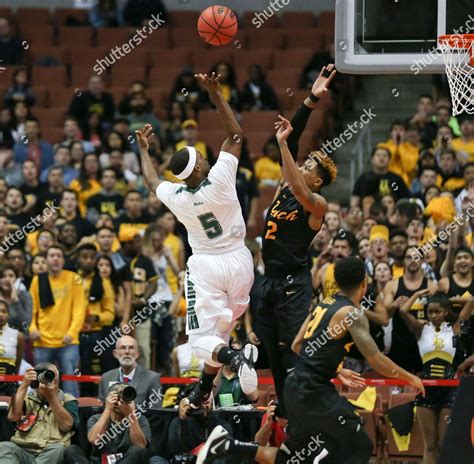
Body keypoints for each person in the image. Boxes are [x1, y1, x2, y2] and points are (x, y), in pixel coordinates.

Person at [198, 257, 425, 464]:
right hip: (313, 390)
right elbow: (376, 360)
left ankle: (227, 445)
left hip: (295, 385)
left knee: (293, 456)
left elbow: (297, 345)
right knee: (359, 444)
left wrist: (336, 371)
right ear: (364, 283)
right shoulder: (352, 314)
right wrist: (411, 377)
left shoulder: (323, 304)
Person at [136, 72, 258, 409]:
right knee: (221, 333)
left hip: (205, 265)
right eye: (201, 157)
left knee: (199, 341)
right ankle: (206, 387)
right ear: (199, 169)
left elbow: (150, 181)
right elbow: (235, 134)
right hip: (240, 260)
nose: (205, 156)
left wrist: (144, 150)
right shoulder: (220, 179)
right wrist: (216, 95)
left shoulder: (177, 195)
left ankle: (235, 358)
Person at [399, 293, 472, 464]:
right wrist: (417, 294)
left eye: (437, 311)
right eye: (430, 311)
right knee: (430, 445)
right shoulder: (421, 329)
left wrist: (447, 301)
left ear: (446, 312)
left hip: (449, 390)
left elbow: (471, 301)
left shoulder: (455, 328)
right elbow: (403, 310)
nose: (433, 315)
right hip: (426, 389)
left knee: (444, 444)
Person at [29, 245, 87, 397]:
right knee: (40, 382)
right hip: (43, 341)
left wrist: (72, 332)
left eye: (59, 255)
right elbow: (31, 309)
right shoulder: (38, 279)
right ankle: (39, 414)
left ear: (63, 259)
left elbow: (79, 310)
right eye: (52, 255)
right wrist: (32, 329)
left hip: (68, 341)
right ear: (46, 260)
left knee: (70, 381)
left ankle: (72, 412)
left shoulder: (74, 278)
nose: (55, 258)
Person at [0, 363, 79, 463]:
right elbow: (13, 417)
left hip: (50, 451)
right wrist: (24, 385)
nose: (47, 381)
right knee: (4, 446)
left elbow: (67, 426)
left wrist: (51, 398)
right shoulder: (26, 398)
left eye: (50, 377)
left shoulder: (68, 400)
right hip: (23, 449)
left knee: (59, 450)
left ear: (58, 381)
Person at [383, 246, 438, 373]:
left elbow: (440, 316)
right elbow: (385, 318)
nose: (413, 260)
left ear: (422, 260)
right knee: (398, 387)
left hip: (424, 342)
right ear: (403, 261)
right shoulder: (392, 285)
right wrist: (394, 305)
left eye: (417, 257)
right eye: (409, 257)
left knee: (425, 386)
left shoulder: (432, 286)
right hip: (400, 343)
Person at [86, 383, 151, 464]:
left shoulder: (140, 419)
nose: (121, 399)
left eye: (125, 395)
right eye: (117, 395)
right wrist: (108, 409)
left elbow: (141, 446)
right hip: (101, 462)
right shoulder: (96, 418)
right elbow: (94, 440)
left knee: (137, 450)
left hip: (128, 461)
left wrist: (131, 415)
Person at [98, 335, 162, 411]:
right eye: (123, 348)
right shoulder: (106, 377)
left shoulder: (152, 378)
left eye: (131, 348)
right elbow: (101, 410)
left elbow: (156, 413)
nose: (127, 352)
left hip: (139, 422)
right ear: (115, 354)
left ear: (137, 354)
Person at [351, 146, 410, 216]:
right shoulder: (363, 178)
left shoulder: (396, 179)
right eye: (378, 155)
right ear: (372, 159)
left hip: (392, 214)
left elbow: (404, 199)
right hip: (368, 213)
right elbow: (355, 201)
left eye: (385, 156)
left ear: (389, 160)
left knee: (388, 200)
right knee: (367, 200)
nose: (381, 158)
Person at [0, 299, 24, 395]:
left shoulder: (18, 335)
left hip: (9, 384)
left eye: (4, 311)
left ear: (8, 314)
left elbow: (17, 363)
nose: (0, 314)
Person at [0, 265, 32, 333]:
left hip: (20, 338)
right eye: (3, 276)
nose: (7, 279)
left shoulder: (25, 295)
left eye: (11, 276)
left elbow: (27, 324)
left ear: (16, 279)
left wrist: (16, 301)